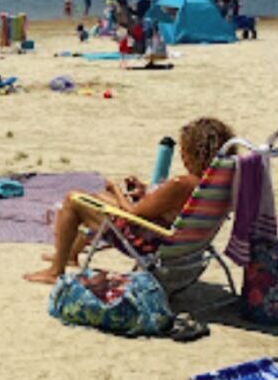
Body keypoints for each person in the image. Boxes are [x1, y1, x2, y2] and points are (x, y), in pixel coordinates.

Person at [23, 116, 235, 283]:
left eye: (184, 151)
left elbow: (133, 215)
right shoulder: (218, 182)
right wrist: (147, 193)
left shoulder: (182, 184)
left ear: (194, 152)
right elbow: (168, 208)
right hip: (180, 242)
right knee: (98, 199)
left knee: (74, 200)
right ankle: (70, 255)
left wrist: (116, 189)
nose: (182, 157)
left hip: (146, 242)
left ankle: (55, 271)